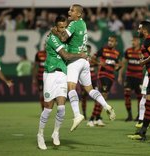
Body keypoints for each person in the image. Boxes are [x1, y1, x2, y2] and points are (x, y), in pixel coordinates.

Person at [52, 4, 115, 132]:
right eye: (69, 9)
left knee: (71, 88)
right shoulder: (83, 23)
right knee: (90, 89)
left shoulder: (74, 24)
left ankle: (77, 115)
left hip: (75, 60)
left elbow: (63, 38)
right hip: (85, 61)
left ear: (78, 14)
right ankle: (106, 105)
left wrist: (56, 32)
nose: (69, 11)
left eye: (72, 10)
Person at [36, 15, 87, 150]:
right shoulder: (52, 38)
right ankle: (40, 135)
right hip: (50, 75)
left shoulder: (66, 37)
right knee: (47, 108)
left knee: (62, 108)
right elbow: (66, 55)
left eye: (65, 27)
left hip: (62, 75)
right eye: (60, 27)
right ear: (55, 27)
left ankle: (56, 132)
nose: (63, 30)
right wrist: (81, 55)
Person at [86, 35, 121, 127]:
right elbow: (92, 58)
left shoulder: (117, 53)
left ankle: (97, 118)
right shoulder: (103, 50)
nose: (110, 42)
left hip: (111, 77)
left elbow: (117, 65)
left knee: (104, 98)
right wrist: (98, 63)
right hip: (103, 76)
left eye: (112, 41)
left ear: (115, 43)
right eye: (109, 40)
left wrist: (118, 67)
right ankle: (91, 119)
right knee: (101, 97)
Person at [118, 36, 143, 121]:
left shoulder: (142, 51)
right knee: (127, 95)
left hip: (139, 78)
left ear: (139, 41)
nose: (133, 42)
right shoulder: (128, 51)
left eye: (135, 41)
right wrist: (120, 75)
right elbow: (123, 64)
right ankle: (129, 115)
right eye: (132, 41)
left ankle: (139, 115)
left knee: (140, 97)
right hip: (129, 77)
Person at [32, 45, 46, 111]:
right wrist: (34, 79)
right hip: (40, 78)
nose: (46, 46)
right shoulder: (39, 54)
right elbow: (35, 66)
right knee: (41, 94)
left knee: (49, 94)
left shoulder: (53, 54)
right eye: (45, 44)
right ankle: (43, 109)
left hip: (50, 78)